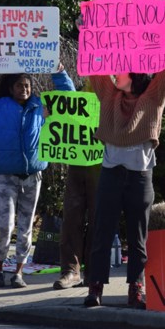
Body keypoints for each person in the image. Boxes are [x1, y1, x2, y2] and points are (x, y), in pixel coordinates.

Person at [84, 20, 165, 309]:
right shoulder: (108, 96)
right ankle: (96, 287)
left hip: (140, 177)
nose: (115, 73)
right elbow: (95, 68)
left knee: (138, 237)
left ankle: (136, 288)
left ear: (135, 75)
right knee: (101, 232)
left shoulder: (151, 99)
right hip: (112, 174)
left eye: (121, 70)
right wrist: (86, 33)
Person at [0, 62, 74, 289]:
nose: (24, 89)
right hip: (5, 176)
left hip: (33, 175)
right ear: (9, 88)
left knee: (26, 226)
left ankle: (18, 272)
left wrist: (60, 73)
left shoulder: (42, 107)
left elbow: (69, 99)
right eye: (19, 85)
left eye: (28, 85)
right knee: (4, 225)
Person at [53, 79, 101, 291]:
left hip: (102, 165)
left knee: (97, 219)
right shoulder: (80, 93)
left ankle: (93, 273)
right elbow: (65, 112)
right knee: (72, 216)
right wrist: (51, 115)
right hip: (78, 162)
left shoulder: (114, 91)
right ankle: (70, 271)